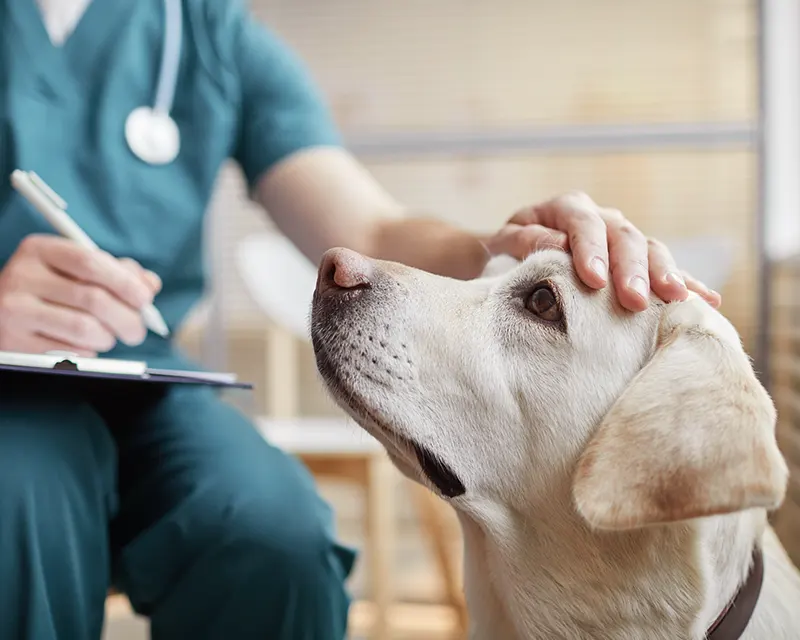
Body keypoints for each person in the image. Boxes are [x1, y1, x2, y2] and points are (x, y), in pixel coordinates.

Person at [0, 1, 720, 639]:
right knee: (17, 498)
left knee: (275, 535)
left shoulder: (206, 30)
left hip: (146, 381)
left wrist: (503, 245)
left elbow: (373, 232)